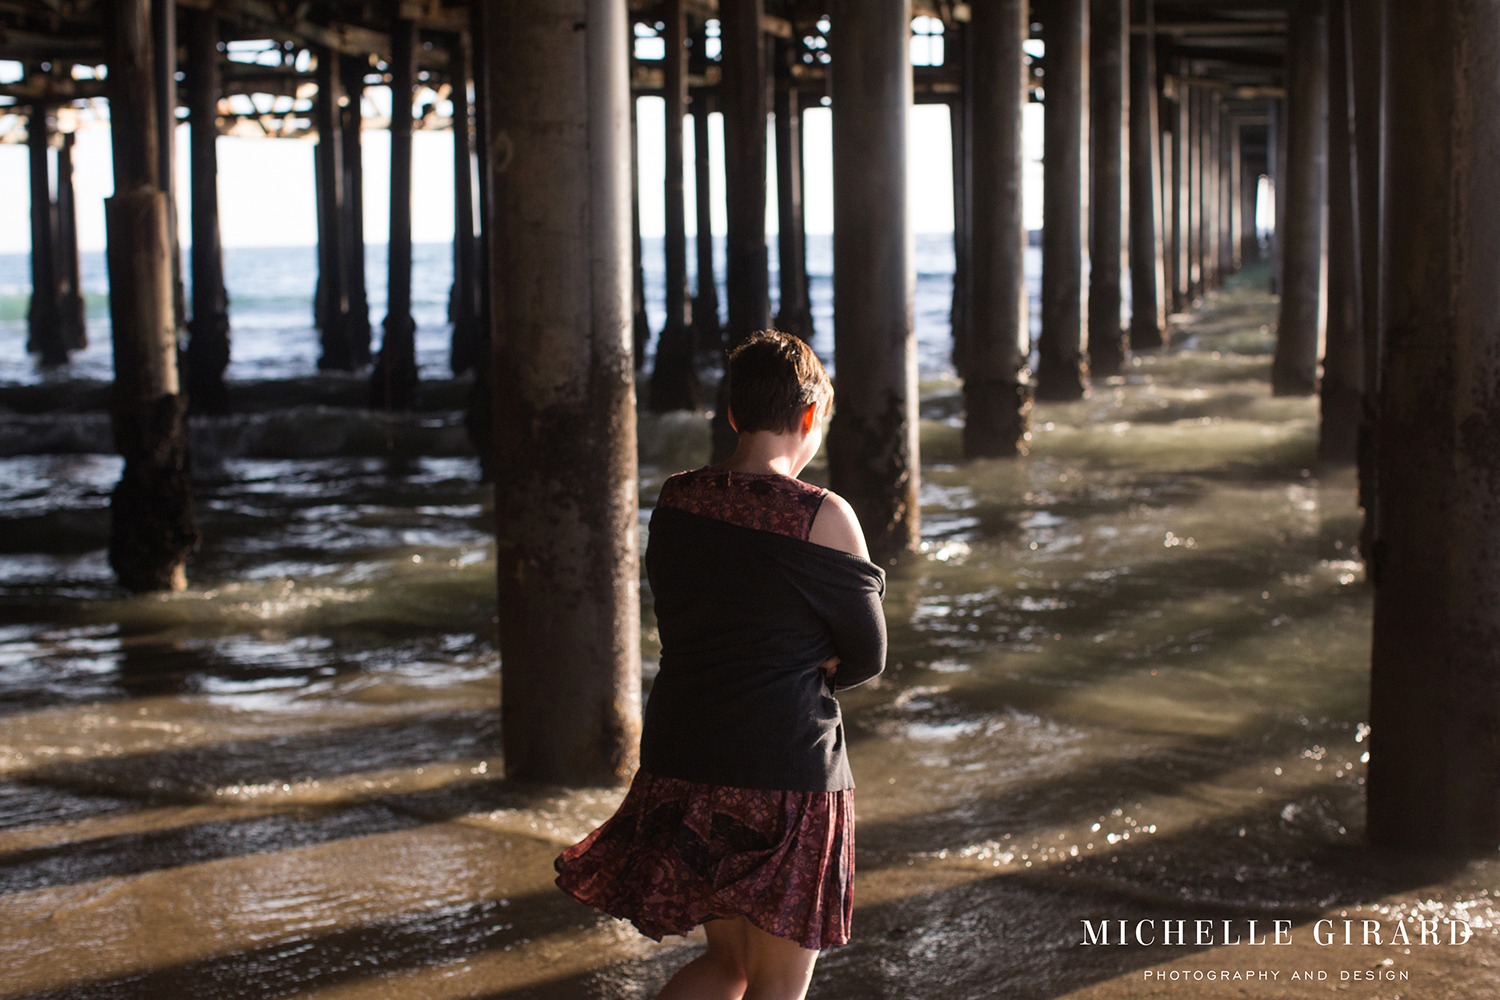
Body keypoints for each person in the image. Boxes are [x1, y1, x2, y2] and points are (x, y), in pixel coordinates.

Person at [555, 330, 888, 1000]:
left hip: (688, 759)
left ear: (733, 414)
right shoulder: (822, 514)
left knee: (728, 966)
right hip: (784, 773)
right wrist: (805, 658)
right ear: (808, 417)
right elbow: (867, 656)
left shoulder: (678, 499)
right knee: (775, 987)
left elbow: (695, 616)